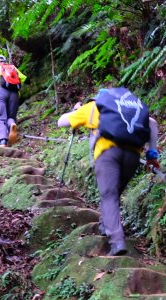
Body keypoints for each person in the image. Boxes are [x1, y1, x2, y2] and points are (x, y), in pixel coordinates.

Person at [57, 89, 160, 256]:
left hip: (107, 155)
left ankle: (117, 242)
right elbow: (153, 123)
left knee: (109, 195)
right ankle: (105, 224)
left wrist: (76, 111)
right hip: (133, 156)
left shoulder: (93, 107)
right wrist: (152, 154)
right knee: (114, 192)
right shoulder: (127, 109)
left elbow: (61, 122)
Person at [0, 54, 27, 146]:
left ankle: (2, 141)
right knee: (11, 116)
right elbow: (25, 79)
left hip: (1, 92)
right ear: (4, 61)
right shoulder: (12, 68)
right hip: (14, 94)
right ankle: (12, 124)